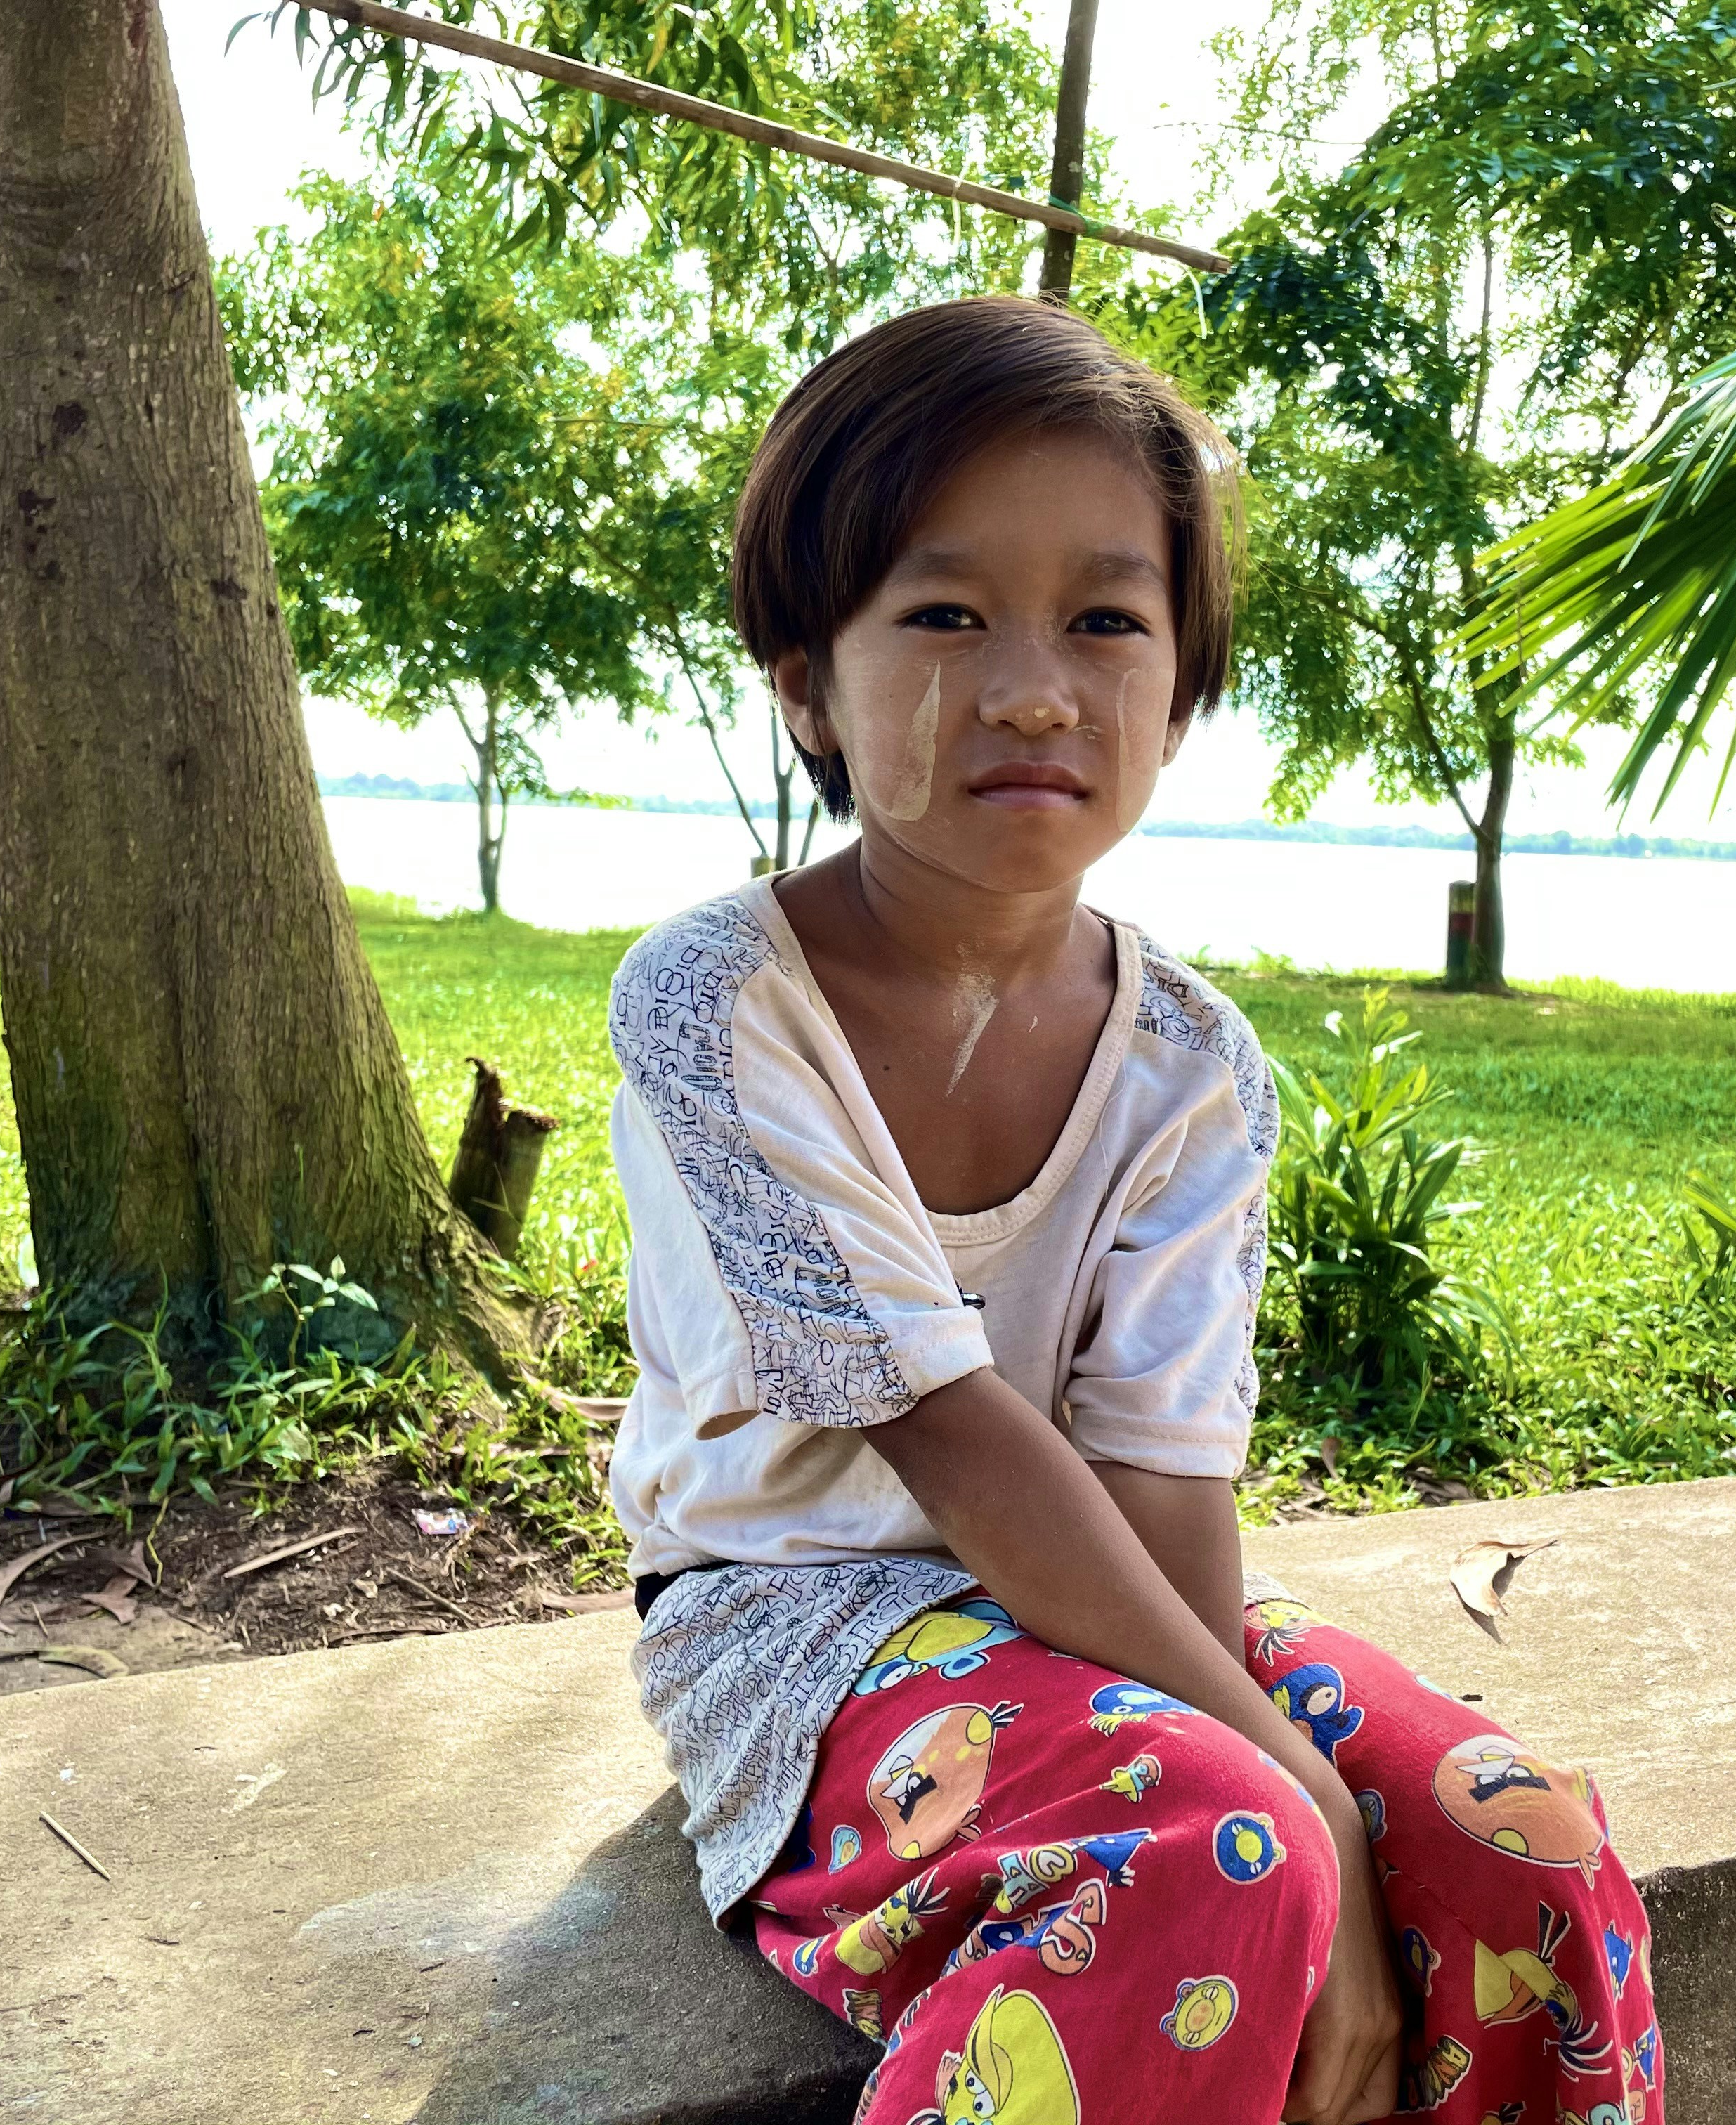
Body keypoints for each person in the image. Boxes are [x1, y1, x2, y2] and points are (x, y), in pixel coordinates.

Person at [608, 294, 1662, 2125]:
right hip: (797, 1636)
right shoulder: (719, 1002)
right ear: (806, 680)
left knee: (1528, 1849)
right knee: (1215, 1849)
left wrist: (1275, 1761)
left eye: (1107, 620)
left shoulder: (1191, 1061)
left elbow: (1164, 1479)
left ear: (1181, 686)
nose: (1032, 688)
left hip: (1102, 1613)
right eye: (945, 616)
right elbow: (953, 1443)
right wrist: (1287, 1797)